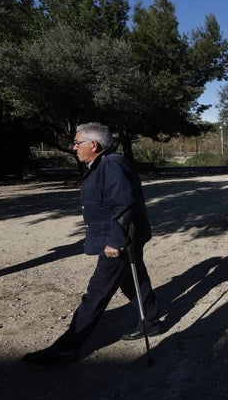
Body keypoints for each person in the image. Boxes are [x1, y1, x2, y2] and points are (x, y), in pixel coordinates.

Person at [23, 123, 163, 365]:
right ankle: (150, 322)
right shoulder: (103, 164)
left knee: (96, 293)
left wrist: (115, 241)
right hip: (124, 236)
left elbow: (123, 205)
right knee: (133, 279)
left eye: (77, 143)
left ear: (93, 144)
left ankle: (68, 348)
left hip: (119, 239)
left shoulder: (111, 164)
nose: (73, 147)